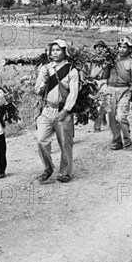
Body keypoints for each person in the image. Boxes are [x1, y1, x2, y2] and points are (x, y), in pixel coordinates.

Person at [35, 39, 79, 183]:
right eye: (52, 50)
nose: (55, 53)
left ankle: (64, 172)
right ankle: (48, 167)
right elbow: (37, 90)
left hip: (63, 110)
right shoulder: (45, 68)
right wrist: (44, 82)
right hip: (47, 109)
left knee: (65, 143)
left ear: (64, 51)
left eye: (58, 50)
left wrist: (66, 111)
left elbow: (73, 94)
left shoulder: (72, 70)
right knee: (41, 140)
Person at [103, 37, 132, 149]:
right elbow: (104, 76)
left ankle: (127, 141)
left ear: (130, 50)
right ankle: (116, 141)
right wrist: (107, 66)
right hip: (110, 90)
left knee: (121, 117)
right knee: (110, 117)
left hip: (124, 91)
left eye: (125, 47)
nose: (122, 49)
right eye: (120, 47)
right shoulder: (112, 61)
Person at [91, 41, 114, 132]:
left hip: (104, 83)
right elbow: (91, 74)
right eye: (97, 47)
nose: (99, 49)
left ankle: (97, 126)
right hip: (94, 82)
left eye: (101, 47)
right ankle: (102, 116)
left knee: (101, 104)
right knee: (94, 103)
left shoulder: (108, 59)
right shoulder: (92, 59)